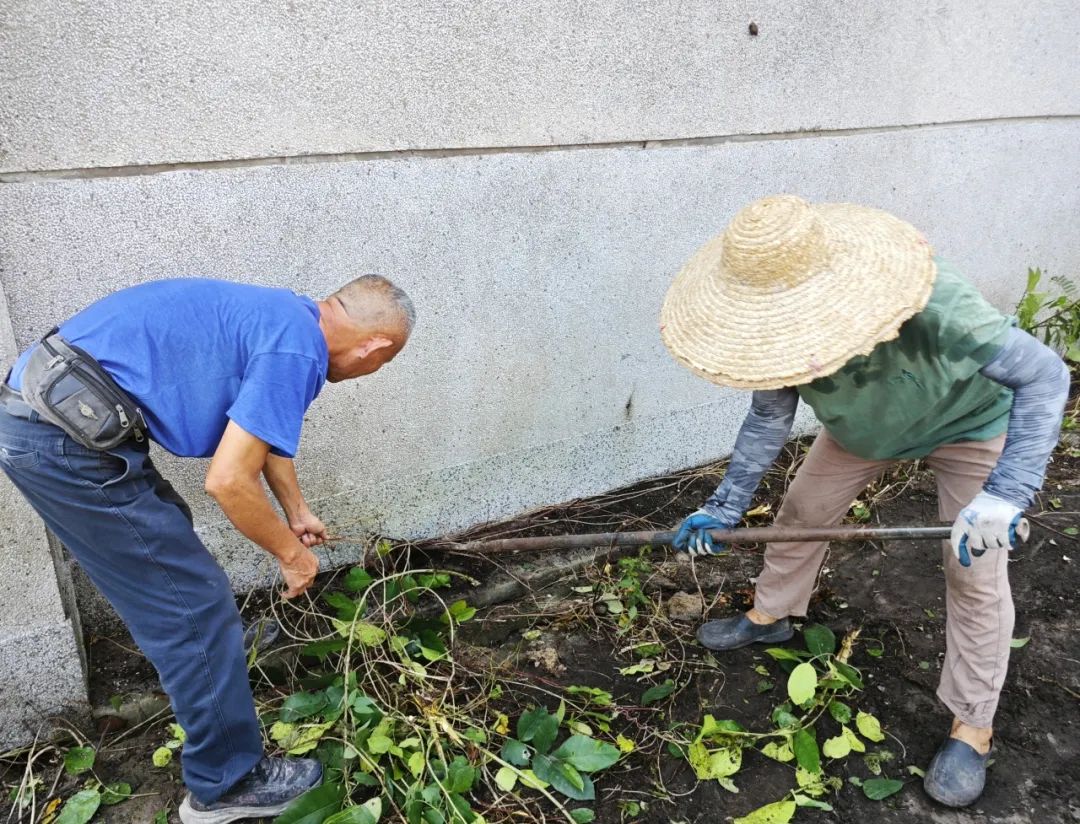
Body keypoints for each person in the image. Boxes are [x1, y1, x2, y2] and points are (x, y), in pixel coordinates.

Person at [659, 195, 1069, 807]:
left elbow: (1045, 374)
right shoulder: (767, 328)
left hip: (972, 422)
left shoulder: (933, 298)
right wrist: (726, 503)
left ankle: (973, 724)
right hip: (862, 434)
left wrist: (1007, 494)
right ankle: (772, 616)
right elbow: (769, 415)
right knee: (801, 514)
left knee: (974, 568)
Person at [0, 274, 415, 824]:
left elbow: (257, 430)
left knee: (170, 539)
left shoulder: (287, 317)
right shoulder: (298, 348)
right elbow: (228, 480)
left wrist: (295, 511)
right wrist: (291, 554)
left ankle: (211, 663)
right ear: (373, 347)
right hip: (60, 439)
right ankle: (225, 785)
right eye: (379, 367)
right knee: (192, 605)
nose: (367, 375)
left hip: (57, 416)